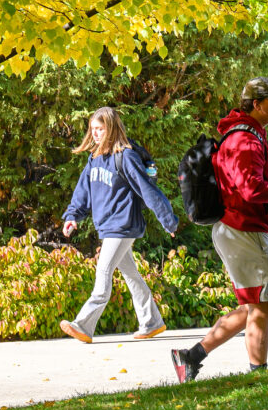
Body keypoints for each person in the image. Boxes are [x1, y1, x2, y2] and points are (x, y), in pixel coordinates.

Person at [170, 77, 268, 382]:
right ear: (257, 105)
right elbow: (251, 190)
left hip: (233, 227)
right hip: (243, 228)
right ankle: (258, 375)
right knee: (262, 305)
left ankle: (190, 357)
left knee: (254, 305)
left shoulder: (241, 134)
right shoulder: (245, 141)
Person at [58, 107, 180, 343]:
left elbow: (148, 190)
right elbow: (82, 192)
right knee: (131, 274)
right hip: (108, 227)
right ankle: (151, 322)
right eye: (92, 129)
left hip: (123, 225)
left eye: (100, 129)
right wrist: (72, 216)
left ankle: (83, 324)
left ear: (111, 128)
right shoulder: (94, 159)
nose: (95, 134)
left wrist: (168, 221)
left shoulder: (125, 156)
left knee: (103, 271)